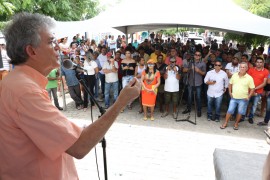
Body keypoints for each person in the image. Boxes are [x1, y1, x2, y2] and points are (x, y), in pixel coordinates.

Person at [0, 12, 141, 179]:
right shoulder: (25, 91)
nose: (58, 47)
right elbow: (79, 147)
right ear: (31, 51)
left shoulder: (18, 83)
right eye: (52, 42)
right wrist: (121, 102)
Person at [220, 62, 255, 130]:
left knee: (240, 112)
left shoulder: (249, 78)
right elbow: (230, 84)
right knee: (229, 110)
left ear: (246, 68)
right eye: (241, 67)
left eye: (243, 67)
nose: (242, 68)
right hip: (234, 97)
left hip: (243, 99)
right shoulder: (234, 75)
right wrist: (230, 92)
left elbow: (252, 88)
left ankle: (236, 123)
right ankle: (225, 123)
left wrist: (249, 96)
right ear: (239, 68)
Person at [182, 51, 206, 117]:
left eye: (199, 55)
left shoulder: (203, 63)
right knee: (189, 96)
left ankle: (199, 110)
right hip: (190, 82)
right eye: (196, 54)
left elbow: (204, 73)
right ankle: (188, 108)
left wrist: (198, 71)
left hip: (198, 83)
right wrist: (190, 68)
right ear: (194, 55)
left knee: (198, 97)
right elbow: (185, 70)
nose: (197, 56)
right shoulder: (190, 62)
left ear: (200, 56)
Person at [245, 57, 268, 124]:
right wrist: (251, 89)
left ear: (263, 63)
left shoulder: (266, 71)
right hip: (248, 91)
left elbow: (264, 83)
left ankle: (250, 117)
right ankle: (242, 117)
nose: (259, 64)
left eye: (261, 62)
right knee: (245, 104)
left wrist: (254, 89)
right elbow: (247, 80)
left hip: (258, 92)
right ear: (255, 63)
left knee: (254, 105)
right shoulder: (251, 70)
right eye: (257, 62)